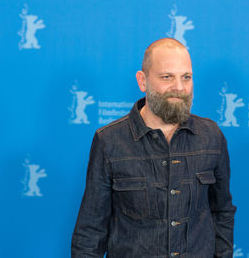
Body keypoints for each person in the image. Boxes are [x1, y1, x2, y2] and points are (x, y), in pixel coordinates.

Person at [71, 38, 236, 258]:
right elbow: (90, 232)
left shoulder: (211, 137)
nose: (179, 87)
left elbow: (222, 212)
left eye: (186, 77)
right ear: (143, 81)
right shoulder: (109, 141)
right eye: (167, 77)